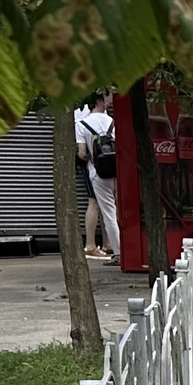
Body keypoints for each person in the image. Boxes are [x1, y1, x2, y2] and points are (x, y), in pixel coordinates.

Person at [76, 94, 120, 263]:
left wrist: (91, 158)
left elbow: (81, 153)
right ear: (101, 102)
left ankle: (119, 252)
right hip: (116, 171)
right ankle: (120, 248)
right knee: (117, 211)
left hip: (98, 173)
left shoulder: (82, 124)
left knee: (108, 213)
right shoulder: (112, 122)